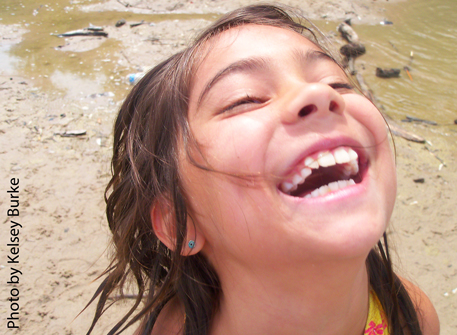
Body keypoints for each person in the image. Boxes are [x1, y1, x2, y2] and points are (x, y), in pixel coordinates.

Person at [86, 4, 439, 335]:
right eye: (245, 99)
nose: (317, 94)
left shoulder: (410, 315)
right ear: (179, 223)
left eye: (337, 84)